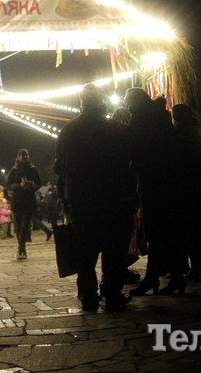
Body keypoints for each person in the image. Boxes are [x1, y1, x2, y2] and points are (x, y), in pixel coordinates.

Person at [54, 84, 134, 311]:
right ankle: (112, 292)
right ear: (101, 102)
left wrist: (65, 198)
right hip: (111, 197)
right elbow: (125, 164)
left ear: (81, 102)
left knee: (85, 250)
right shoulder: (114, 129)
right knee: (113, 248)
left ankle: (88, 294)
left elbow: (60, 168)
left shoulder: (68, 131)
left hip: (80, 198)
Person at [124, 88, 187, 296]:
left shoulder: (141, 121)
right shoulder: (161, 118)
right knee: (164, 232)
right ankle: (170, 276)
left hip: (153, 182)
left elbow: (137, 149)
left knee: (158, 231)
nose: (126, 106)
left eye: (128, 102)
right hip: (166, 182)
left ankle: (160, 277)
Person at [171, 103, 201, 281]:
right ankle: (196, 265)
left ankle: (185, 264)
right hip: (196, 185)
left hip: (181, 186)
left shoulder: (177, 134)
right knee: (196, 226)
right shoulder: (198, 133)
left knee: (184, 227)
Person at [5, 149, 46, 260]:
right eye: (22, 155)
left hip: (29, 200)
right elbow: (8, 185)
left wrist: (32, 185)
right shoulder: (14, 169)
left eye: (26, 155)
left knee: (26, 225)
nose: (25, 157)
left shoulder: (33, 169)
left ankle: (21, 248)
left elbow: (39, 184)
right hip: (17, 201)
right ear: (18, 156)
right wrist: (19, 186)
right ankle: (21, 247)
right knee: (18, 226)